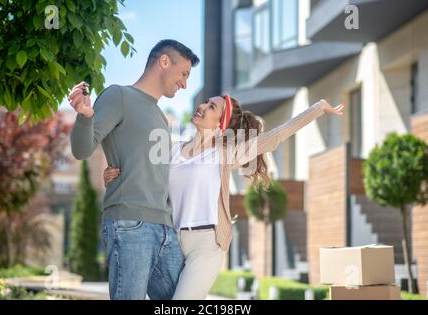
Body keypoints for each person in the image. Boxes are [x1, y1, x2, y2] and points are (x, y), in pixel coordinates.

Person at [104, 94, 345, 299]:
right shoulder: (171, 149)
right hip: (170, 242)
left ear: (221, 125)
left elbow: (275, 137)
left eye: (212, 107)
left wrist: (318, 109)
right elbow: (141, 176)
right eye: (206, 102)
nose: (202, 106)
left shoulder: (226, 153)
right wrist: (113, 176)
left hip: (206, 246)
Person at [67, 39, 200, 300]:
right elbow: (82, 150)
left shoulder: (161, 117)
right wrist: (84, 116)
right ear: (164, 62)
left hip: (164, 227)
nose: (185, 83)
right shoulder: (119, 96)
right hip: (130, 223)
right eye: (183, 73)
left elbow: (160, 171)